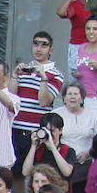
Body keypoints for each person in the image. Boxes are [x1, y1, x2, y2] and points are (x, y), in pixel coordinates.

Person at [12, 32, 64, 166]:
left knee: (32, 172)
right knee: (13, 171)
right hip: (14, 128)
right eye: (36, 44)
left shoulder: (56, 75)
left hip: (36, 132)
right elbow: (11, 97)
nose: (39, 48)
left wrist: (43, 77)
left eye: (44, 45)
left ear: (50, 49)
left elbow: (44, 101)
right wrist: (14, 76)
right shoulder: (24, 70)